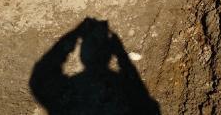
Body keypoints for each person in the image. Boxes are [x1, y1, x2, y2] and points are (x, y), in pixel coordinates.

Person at [30, 18, 161, 114]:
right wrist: (122, 55)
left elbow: (40, 76)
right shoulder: (120, 88)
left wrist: (75, 34)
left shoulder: (73, 91)